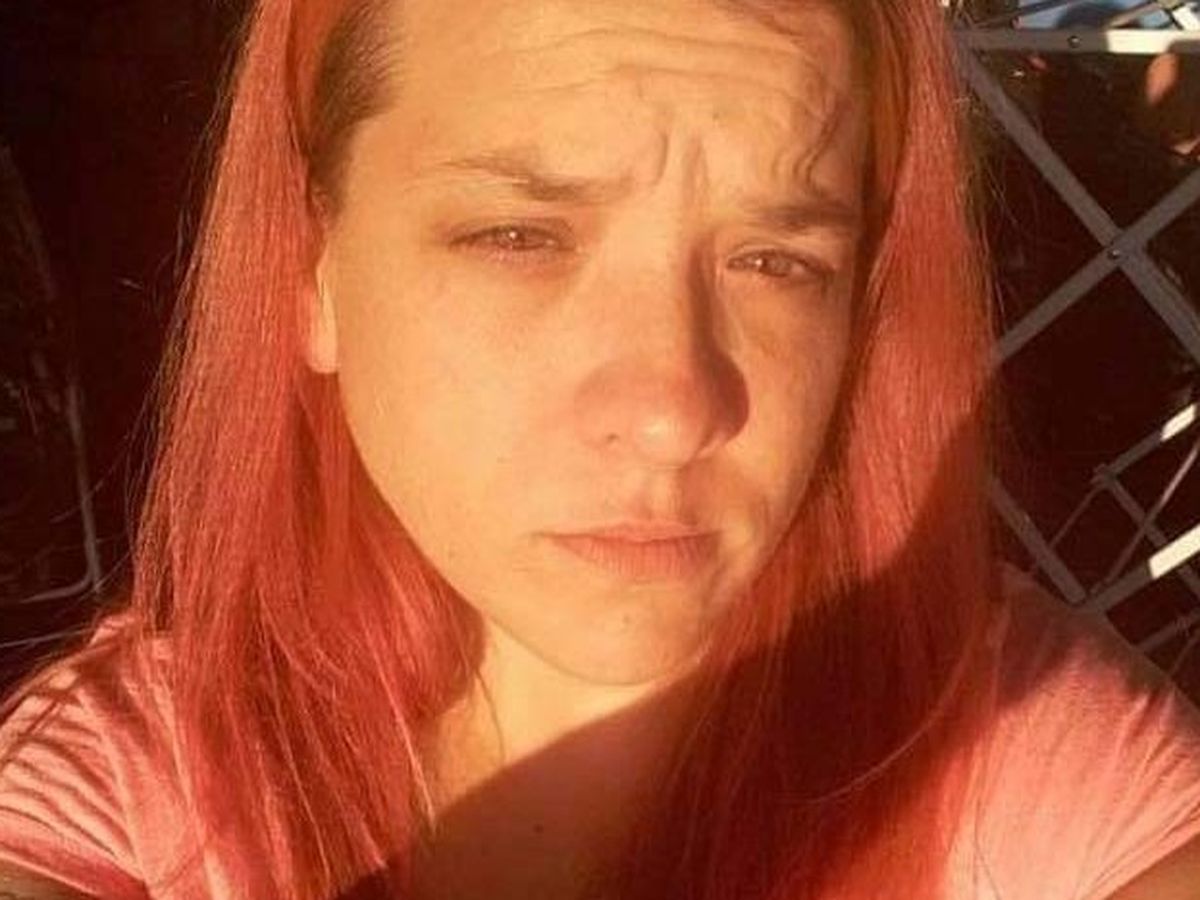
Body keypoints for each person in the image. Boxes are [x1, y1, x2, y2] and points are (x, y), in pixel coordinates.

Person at [1, 0, 1198, 897]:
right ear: (309, 274)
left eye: (777, 260)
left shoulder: (1036, 755)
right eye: (519, 235)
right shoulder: (123, 801)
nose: (673, 411)